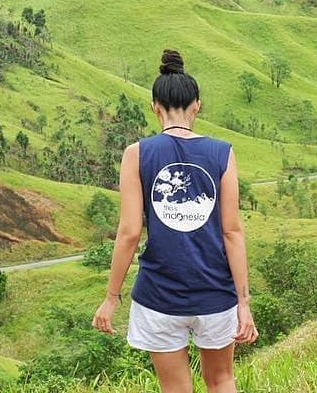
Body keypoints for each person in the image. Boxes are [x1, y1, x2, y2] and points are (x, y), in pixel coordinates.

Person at [93, 49, 258, 392]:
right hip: (215, 293)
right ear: (197, 104)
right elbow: (232, 231)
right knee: (222, 380)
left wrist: (112, 297)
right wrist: (243, 303)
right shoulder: (222, 152)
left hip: (159, 296)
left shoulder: (137, 154)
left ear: (155, 106)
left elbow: (128, 233)